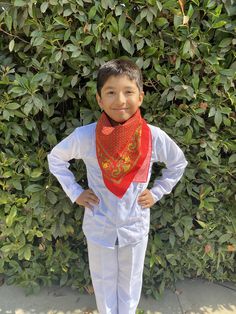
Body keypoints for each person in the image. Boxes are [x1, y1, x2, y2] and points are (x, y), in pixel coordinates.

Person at [47, 59, 188, 314]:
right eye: (111, 92)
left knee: (131, 282)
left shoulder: (152, 136)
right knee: (102, 282)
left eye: (128, 91)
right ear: (99, 99)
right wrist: (76, 193)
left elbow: (177, 163)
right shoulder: (86, 136)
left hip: (134, 225)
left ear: (141, 97)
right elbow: (55, 159)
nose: (120, 100)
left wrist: (156, 193)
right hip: (99, 224)